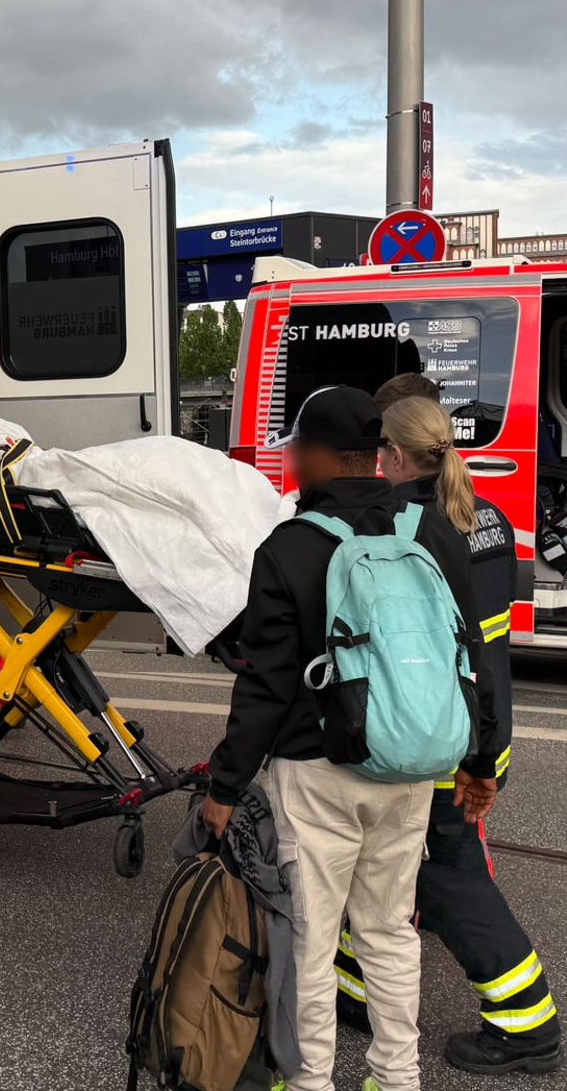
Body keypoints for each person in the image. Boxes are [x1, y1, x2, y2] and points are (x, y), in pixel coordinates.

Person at [200, 384, 499, 1091]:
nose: (291, 462)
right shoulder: (429, 532)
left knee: (310, 932)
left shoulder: (289, 546)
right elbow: (469, 658)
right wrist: (479, 759)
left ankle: (310, 1081)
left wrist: (224, 785)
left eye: (296, 449)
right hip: (407, 767)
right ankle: (396, 1077)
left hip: (317, 771)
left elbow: (265, 686)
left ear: (324, 457)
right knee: (390, 928)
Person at [332, 376, 561, 1075]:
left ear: (396, 455)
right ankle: (357, 988)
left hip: (426, 741)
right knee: (380, 865)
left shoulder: (396, 524)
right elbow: (489, 648)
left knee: (445, 876)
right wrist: (487, 754)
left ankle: (528, 1024)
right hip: (476, 728)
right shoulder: (486, 515)